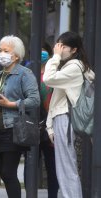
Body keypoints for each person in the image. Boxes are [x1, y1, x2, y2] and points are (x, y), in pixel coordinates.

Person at [0, 35, 40, 198]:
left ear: (16, 55)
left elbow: (34, 100)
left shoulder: (24, 74)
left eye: (6, 51)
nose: (1, 54)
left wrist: (11, 104)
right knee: (3, 173)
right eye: (0, 50)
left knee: (8, 172)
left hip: (13, 129)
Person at [43, 31, 95, 198]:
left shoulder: (74, 67)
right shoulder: (72, 67)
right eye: (57, 45)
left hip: (66, 119)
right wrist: (50, 126)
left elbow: (48, 78)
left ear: (74, 50)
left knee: (67, 168)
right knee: (66, 167)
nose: (58, 49)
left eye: (63, 46)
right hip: (64, 118)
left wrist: (54, 57)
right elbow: (57, 99)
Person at [39, 42, 59, 198]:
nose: (41, 54)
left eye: (43, 51)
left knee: (52, 164)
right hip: (34, 123)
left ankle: (52, 195)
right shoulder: (28, 72)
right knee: (31, 162)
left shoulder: (55, 72)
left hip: (51, 120)